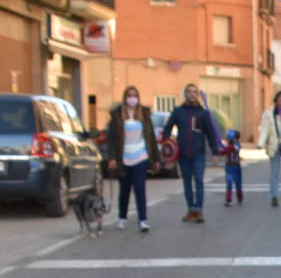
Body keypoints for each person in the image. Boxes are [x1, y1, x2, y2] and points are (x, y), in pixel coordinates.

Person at [161, 83, 221, 224]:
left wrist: (215, 152)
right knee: (187, 183)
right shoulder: (178, 111)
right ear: (185, 94)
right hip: (183, 154)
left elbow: (210, 133)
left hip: (198, 153)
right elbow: (167, 129)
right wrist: (166, 145)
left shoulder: (203, 113)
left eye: (194, 92)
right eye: (189, 92)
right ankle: (190, 210)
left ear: (197, 95)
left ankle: (199, 210)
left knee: (199, 180)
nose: (192, 94)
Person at [104, 85, 160, 233]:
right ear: (125, 97)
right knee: (124, 190)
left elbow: (151, 138)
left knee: (140, 189)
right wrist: (112, 158)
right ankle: (122, 217)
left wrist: (155, 159)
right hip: (123, 158)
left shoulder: (144, 115)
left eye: (135, 95)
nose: (132, 98)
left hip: (140, 157)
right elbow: (111, 139)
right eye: (129, 95)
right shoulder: (117, 116)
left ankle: (143, 220)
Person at [221, 129, 243, 206]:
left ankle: (240, 198)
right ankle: (228, 200)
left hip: (236, 167)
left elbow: (231, 148)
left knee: (238, 184)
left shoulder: (237, 145)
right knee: (229, 183)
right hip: (229, 167)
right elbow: (223, 152)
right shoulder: (227, 146)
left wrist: (223, 148)